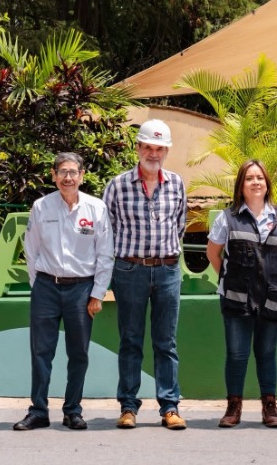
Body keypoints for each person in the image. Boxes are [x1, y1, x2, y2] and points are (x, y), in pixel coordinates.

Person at [14, 152, 114, 431]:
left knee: (79, 352)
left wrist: (97, 293)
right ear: (54, 175)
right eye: (62, 172)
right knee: (41, 352)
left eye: (73, 172)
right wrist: (39, 284)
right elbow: (30, 249)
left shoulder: (96, 209)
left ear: (82, 176)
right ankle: (38, 411)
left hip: (82, 289)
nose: (68, 177)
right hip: (46, 287)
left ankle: (73, 410)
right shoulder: (41, 207)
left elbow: (105, 254)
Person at [103, 119, 188, 430]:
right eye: (148, 147)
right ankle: (128, 407)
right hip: (129, 270)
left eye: (159, 148)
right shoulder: (117, 185)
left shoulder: (177, 184)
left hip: (167, 269)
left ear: (166, 152)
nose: (153, 153)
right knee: (130, 340)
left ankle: (169, 407)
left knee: (166, 341)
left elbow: (179, 225)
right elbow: (105, 231)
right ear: (137, 148)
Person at [206, 160, 277, 428]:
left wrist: (274, 274)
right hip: (237, 296)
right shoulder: (228, 217)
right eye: (249, 178)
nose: (256, 182)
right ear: (241, 186)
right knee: (236, 354)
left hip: (273, 295)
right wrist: (228, 277)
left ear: (267, 183)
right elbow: (213, 252)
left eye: (260, 178)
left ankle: (269, 407)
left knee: (267, 353)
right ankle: (233, 406)